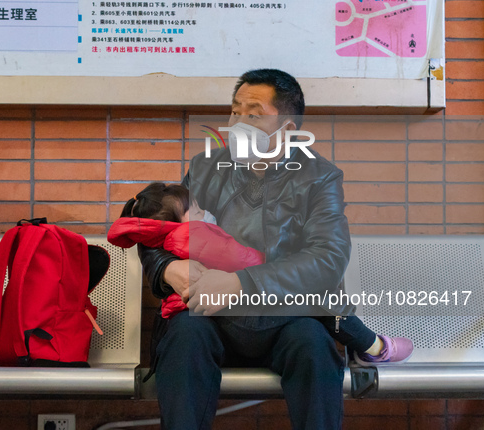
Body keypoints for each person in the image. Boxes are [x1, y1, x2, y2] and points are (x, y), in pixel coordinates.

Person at [132, 69, 396, 430]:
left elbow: (328, 258)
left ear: (287, 129)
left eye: (253, 114)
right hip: (211, 318)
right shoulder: (206, 168)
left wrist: (243, 282)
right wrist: (166, 269)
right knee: (184, 337)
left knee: (313, 346)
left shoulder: (319, 177)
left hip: (285, 318)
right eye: (235, 111)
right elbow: (158, 231)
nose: (237, 122)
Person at [107, 182, 413, 361]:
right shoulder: (196, 233)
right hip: (237, 313)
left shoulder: (180, 229)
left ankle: (370, 344)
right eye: (198, 210)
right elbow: (242, 260)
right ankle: (373, 346)